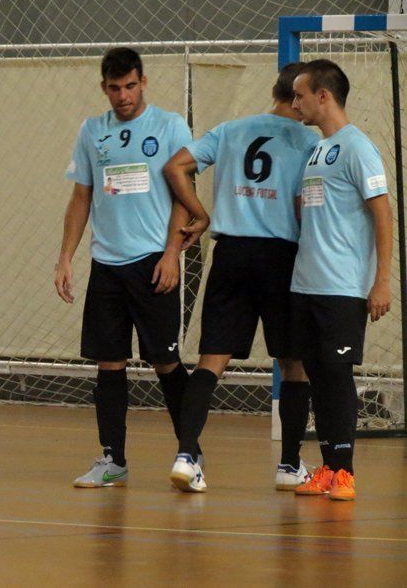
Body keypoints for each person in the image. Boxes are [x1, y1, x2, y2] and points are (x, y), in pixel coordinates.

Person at [162, 64, 319, 492]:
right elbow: (307, 205)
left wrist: (199, 212)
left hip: (230, 252)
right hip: (281, 256)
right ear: (299, 98)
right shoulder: (309, 139)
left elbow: (176, 167)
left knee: (212, 360)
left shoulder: (231, 129)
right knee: (293, 364)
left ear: (274, 92)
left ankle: (186, 455)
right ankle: (289, 465)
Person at [55, 47, 195, 488]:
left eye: (130, 86)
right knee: (109, 364)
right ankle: (113, 459)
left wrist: (172, 253)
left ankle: (191, 454)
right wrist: (65, 257)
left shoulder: (170, 126)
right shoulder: (92, 131)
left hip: (154, 262)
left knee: (166, 364)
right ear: (104, 88)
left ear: (143, 82)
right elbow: (81, 197)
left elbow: (182, 194)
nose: (123, 96)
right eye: (114, 88)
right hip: (107, 266)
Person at [289, 59, 392, 501]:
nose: (295, 103)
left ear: (323, 96)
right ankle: (328, 467)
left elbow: (383, 214)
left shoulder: (357, 147)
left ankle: (345, 471)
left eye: (300, 95)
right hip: (306, 285)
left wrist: (381, 281)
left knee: (336, 372)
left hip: (342, 288)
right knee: (316, 373)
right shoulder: (317, 149)